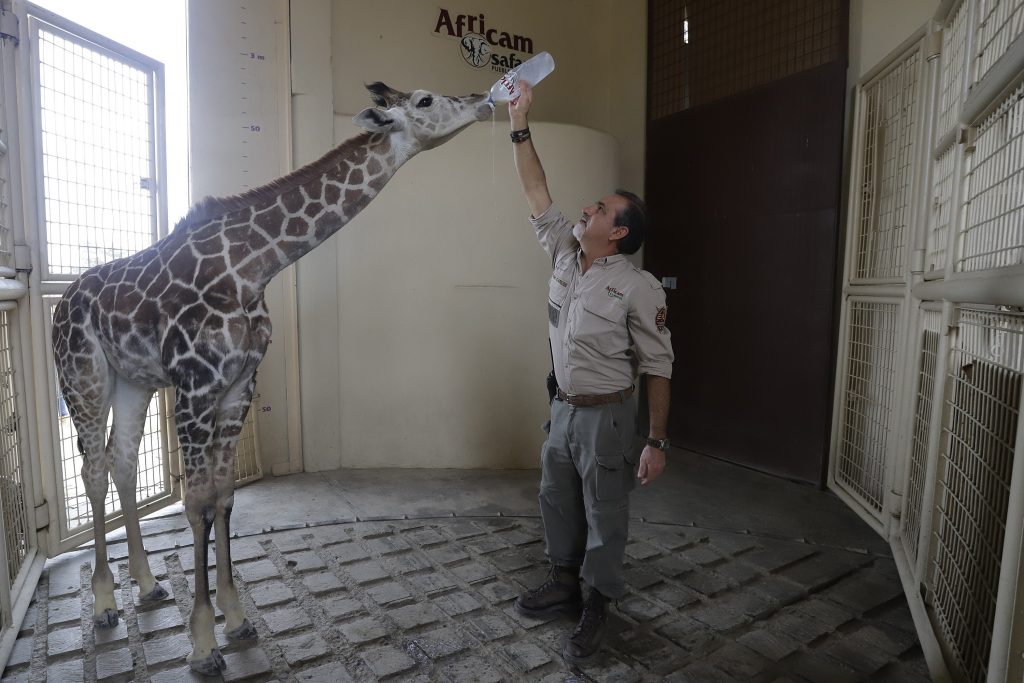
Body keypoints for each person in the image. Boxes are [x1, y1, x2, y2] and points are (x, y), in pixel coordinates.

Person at [508, 82, 674, 664]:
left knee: (606, 510)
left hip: (608, 417)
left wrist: (654, 440)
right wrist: (519, 122)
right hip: (562, 409)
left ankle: (598, 602)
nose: (587, 209)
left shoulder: (637, 287)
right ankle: (564, 582)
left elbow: (658, 367)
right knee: (555, 496)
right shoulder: (562, 252)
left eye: (600, 210)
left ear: (620, 231)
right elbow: (535, 187)